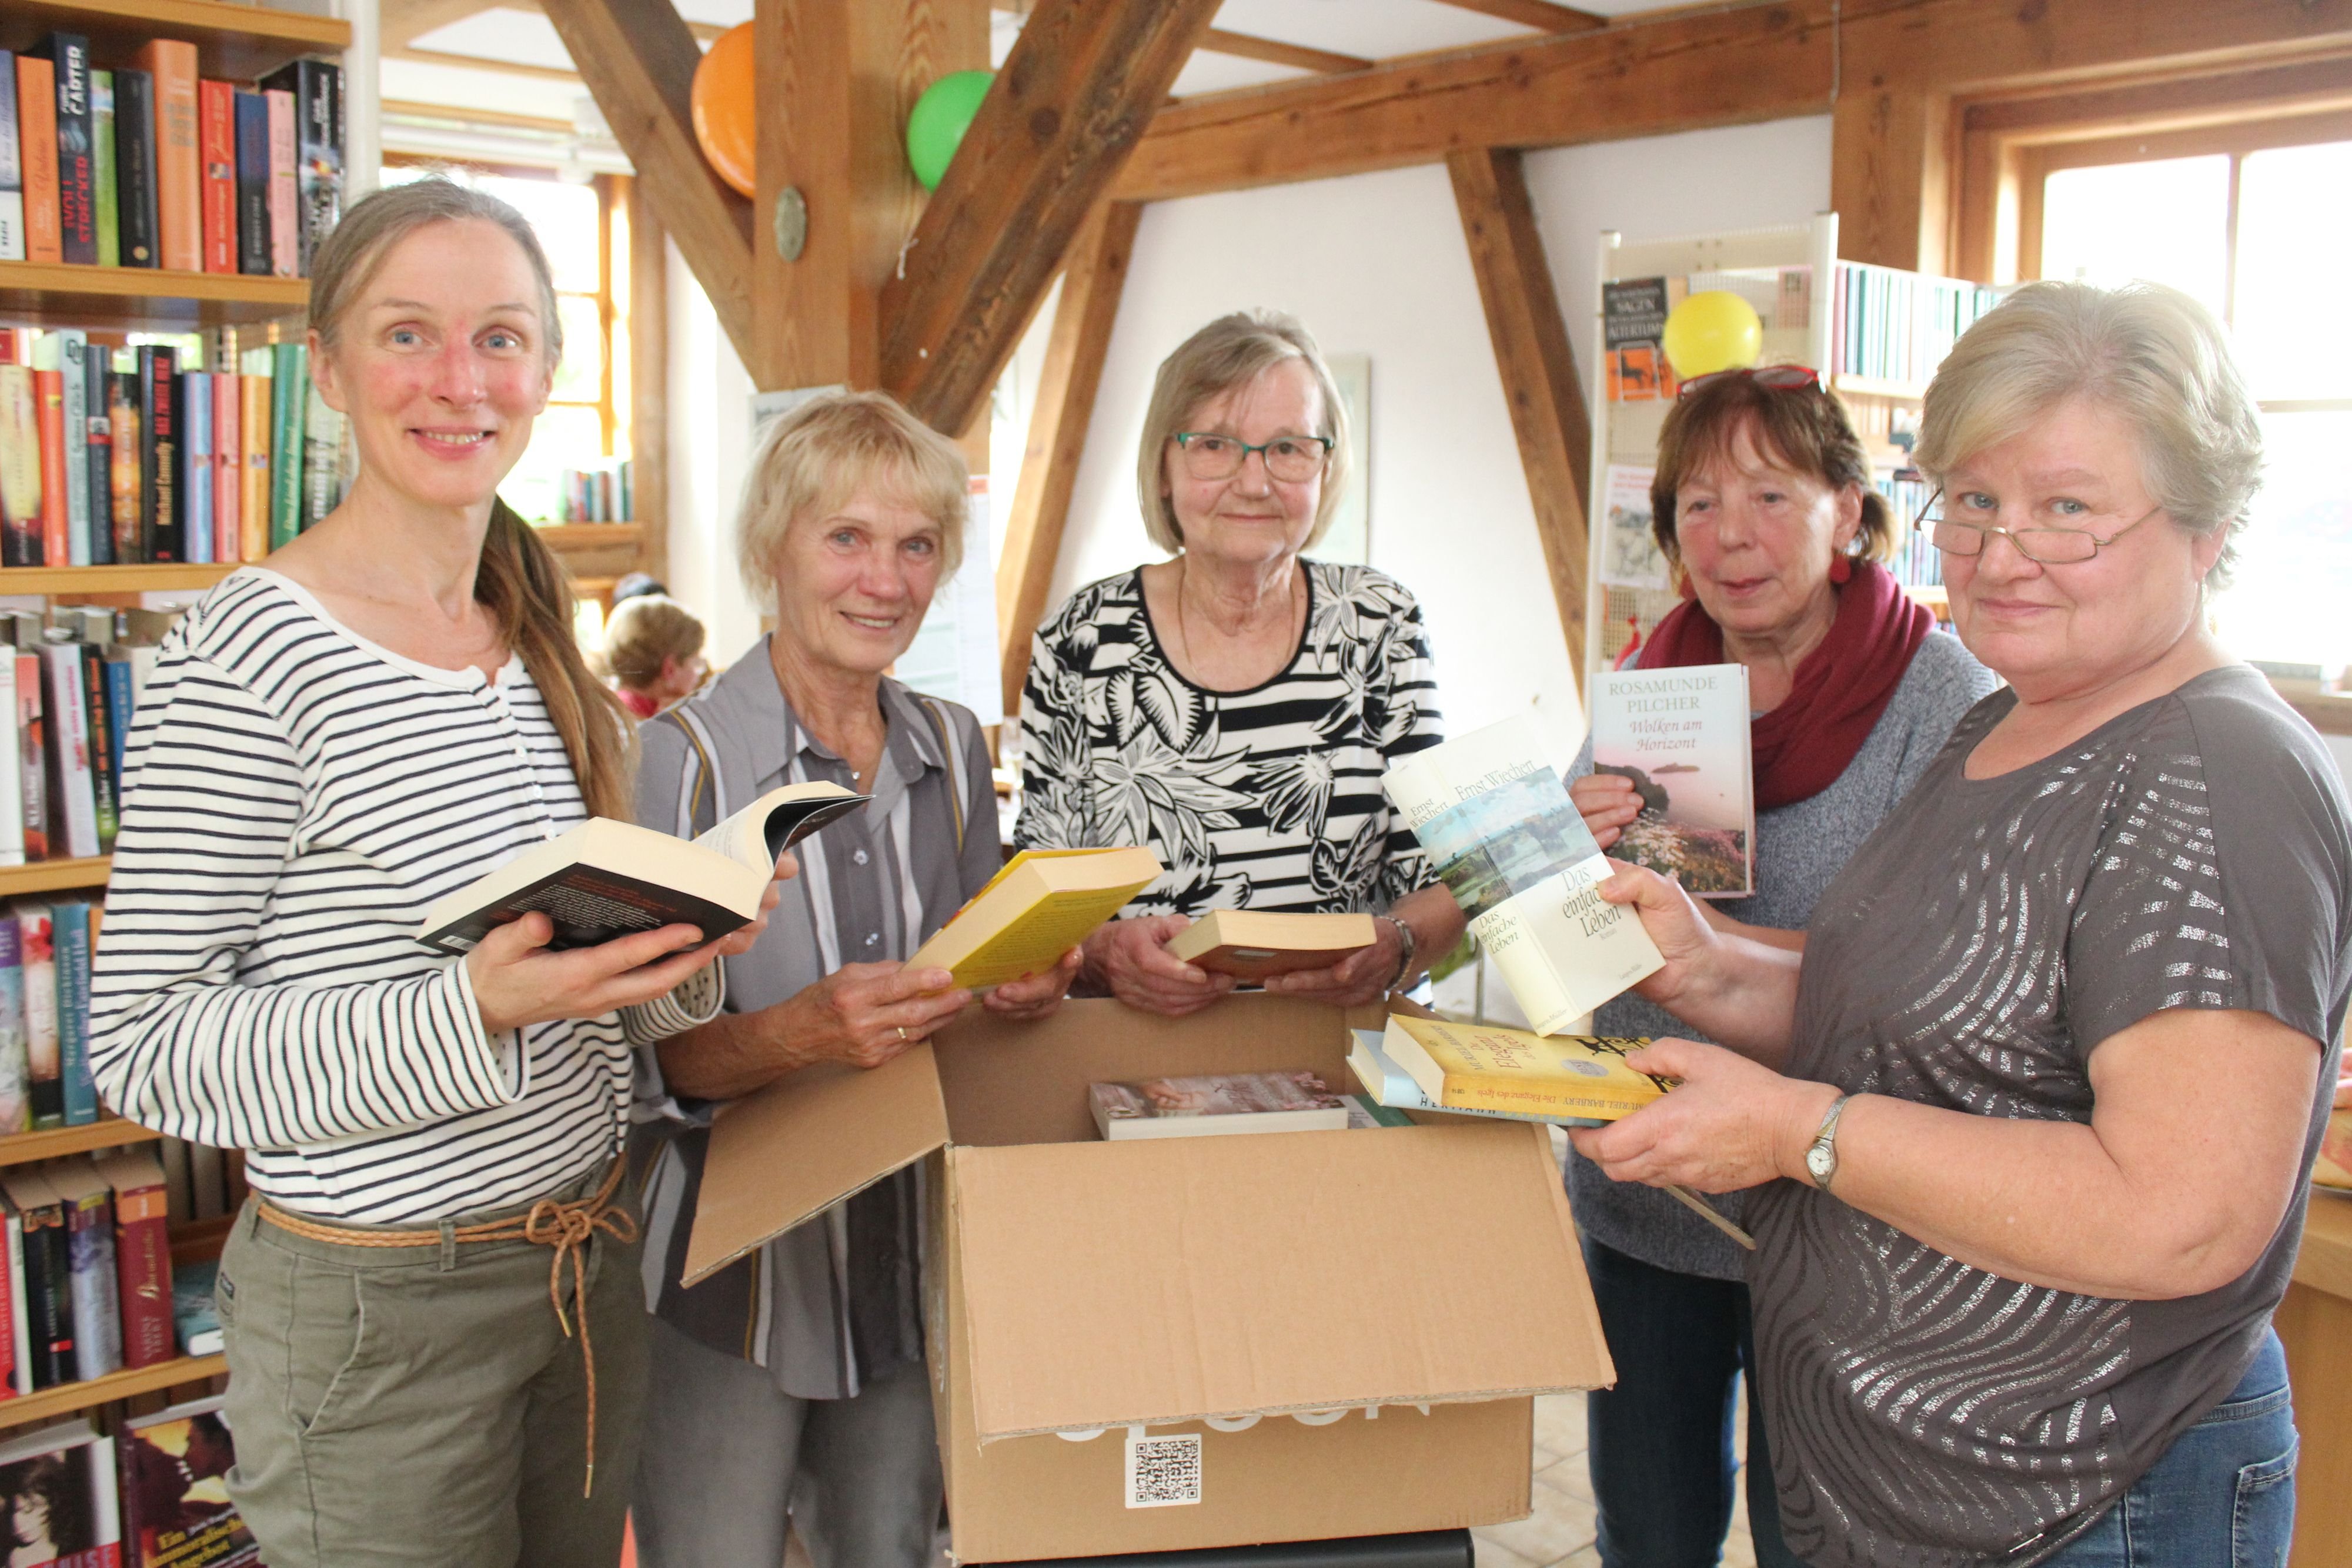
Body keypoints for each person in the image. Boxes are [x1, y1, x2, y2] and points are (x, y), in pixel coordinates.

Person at [1571, 280, 2352, 1567]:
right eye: (1974, 503)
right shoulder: (2011, 718)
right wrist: (1706, 960)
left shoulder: (2215, 772)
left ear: (2204, 527)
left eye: (2066, 509)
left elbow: (2180, 1212)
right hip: (1915, 1491)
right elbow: (1898, 990)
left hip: (2081, 1497)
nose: (1996, 553)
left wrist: (1794, 1129)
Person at [87, 179, 779, 1568]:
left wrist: (675, 957)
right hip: (377, 1322)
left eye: (503, 338)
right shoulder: (246, 656)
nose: (461, 381)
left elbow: (584, 993)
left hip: (585, 1270)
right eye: (410, 334)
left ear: (547, 375)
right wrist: (476, 1007)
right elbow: (145, 1049)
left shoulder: (528, 635)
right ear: (330, 369)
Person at [630, 392, 1079, 1568]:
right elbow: (639, 1066)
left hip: (901, 1242)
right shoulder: (677, 766)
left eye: (915, 544)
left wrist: (1017, 984)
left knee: (888, 1550)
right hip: (728, 1278)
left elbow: (971, 980)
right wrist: (796, 1034)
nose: (883, 578)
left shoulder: (949, 743)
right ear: (769, 549)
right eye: (845, 537)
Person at [1561, 367, 1994, 1567]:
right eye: (1695, 504)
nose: (1728, 535)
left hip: (1840, 1191)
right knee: (1645, 1529)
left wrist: (1715, 951)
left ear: (1848, 511)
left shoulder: (1944, 701)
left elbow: (1944, 964)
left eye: (1767, 492)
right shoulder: (1651, 681)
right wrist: (1566, 845)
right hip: (1648, 1181)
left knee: (1815, 1534)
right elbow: (1568, 922)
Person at [1014, 310, 1463, 1012]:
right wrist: (1102, 957)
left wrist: (1397, 945)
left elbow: (1448, 877)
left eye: (1287, 448)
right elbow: (1038, 897)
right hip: (1138, 1062)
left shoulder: (1380, 622)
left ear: (1325, 466)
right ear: (1163, 467)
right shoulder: (1083, 637)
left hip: (1351, 1049)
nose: (1254, 482)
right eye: (1216, 445)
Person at [602, 591, 707, 718]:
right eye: (696, 663)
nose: (697, 677)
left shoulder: (609, 714)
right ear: (670, 670)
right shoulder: (663, 728)